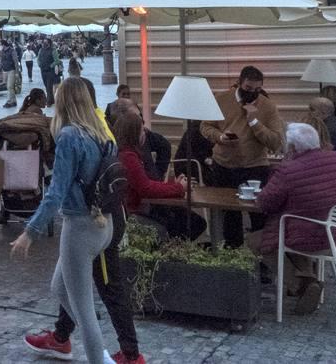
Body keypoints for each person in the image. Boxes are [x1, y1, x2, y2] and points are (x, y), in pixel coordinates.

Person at [14, 78, 122, 364]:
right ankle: (96, 344)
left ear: (63, 101)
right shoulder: (102, 132)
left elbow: (55, 192)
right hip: (105, 224)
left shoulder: (70, 136)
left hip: (80, 227)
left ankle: (98, 355)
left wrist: (30, 231)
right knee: (59, 288)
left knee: (85, 314)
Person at [253, 122, 336, 315]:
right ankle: (309, 283)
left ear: (291, 148)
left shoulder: (288, 170)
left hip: (318, 240)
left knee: (256, 242)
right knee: (292, 231)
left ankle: (299, 285)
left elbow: (264, 204)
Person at [200, 65, 285, 248]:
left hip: (254, 166)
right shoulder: (221, 99)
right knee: (229, 213)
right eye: (248, 89)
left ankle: (261, 254)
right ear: (239, 83)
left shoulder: (267, 106)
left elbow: (276, 141)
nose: (252, 93)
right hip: (223, 164)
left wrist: (254, 122)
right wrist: (220, 137)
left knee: (258, 213)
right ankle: (233, 251)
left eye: (257, 90)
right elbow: (205, 126)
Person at [113, 111, 205, 242]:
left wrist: (174, 185)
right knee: (188, 223)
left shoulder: (126, 154)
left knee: (189, 220)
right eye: (142, 131)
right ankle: (172, 253)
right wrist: (178, 188)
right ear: (134, 134)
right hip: (136, 211)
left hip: (139, 208)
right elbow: (146, 188)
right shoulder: (129, 157)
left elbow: (146, 184)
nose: (145, 134)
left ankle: (173, 252)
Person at [0, 41, 20, 108]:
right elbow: (1, 60)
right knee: (9, 87)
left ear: (4, 45)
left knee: (9, 86)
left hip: (11, 70)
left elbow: (16, 61)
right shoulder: (3, 51)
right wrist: (1, 68)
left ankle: (9, 102)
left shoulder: (12, 51)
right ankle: (14, 101)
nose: (0, 47)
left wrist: (17, 72)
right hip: (5, 70)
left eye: (1, 45)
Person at [40, 38, 59, 104]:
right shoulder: (41, 50)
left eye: (46, 42)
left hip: (50, 71)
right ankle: (52, 99)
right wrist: (40, 64)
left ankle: (49, 101)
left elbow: (57, 60)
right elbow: (38, 58)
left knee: (49, 86)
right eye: (44, 42)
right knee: (46, 85)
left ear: (49, 43)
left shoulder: (53, 50)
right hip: (43, 70)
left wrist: (51, 66)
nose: (44, 43)